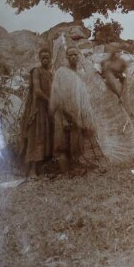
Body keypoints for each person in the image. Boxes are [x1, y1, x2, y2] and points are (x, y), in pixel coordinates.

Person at [50, 46, 100, 174]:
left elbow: (83, 98)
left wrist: (81, 115)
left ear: (78, 56)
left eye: (75, 55)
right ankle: (66, 173)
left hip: (76, 114)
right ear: (66, 57)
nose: (73, 57)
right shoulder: (61, 72)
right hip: (63, 113)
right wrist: (66, 113)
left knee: (75, 143)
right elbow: (57, 94)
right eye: (70, 55)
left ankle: (74, 168)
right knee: (62, 145)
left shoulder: (79, 74)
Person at [18, 48, 53, 177]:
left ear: (50, 59)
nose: (45, 60)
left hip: (47, 109)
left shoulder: (50, 74)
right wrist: (50, 100)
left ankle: (40, 169)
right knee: (35, 137)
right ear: (39, 59)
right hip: (37, 109)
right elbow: (37, 91)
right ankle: (31, 170)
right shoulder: (36, 72)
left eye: (47, 58)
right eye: (42, 57)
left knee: (44, 137)